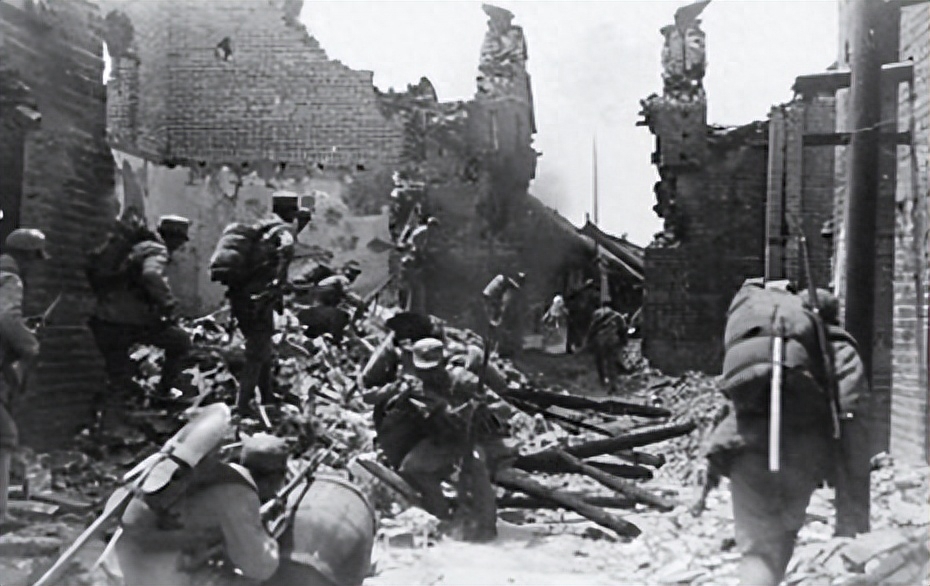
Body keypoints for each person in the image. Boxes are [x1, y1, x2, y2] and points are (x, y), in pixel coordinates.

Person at [702, 285, 869, 586]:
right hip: (799, 454)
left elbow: (728, 407)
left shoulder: (763, 347)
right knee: (781, 538)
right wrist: (851, 512)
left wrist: (707, 477)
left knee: (756, 550)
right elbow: (851, 418)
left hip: (743, 449)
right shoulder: (839, 350)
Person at [363, 338, 512, 542]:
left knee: (476, 468)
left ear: (442, 363)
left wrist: (479, 408)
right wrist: (396, 392)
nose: (427, 375)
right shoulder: (416, 386)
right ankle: (441, 514)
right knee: (411, 468)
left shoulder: (463, 380)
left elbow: (504, 409)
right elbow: (371, 397)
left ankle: (487, 527)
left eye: (432, 370)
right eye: (422, 370)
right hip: (439, 442)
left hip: (467, 440)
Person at [113, 428, 282, 586]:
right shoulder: (236, 493)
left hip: (126, 567)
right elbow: (259, 565)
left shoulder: (165, 474)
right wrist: (269, 537)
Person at [89, 215, 192, 419]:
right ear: (175, 238)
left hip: (103, 319)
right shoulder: (156, 250)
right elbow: (151, 275)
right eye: (180, 242)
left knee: (118, 376)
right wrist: (168, 302)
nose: (179, 247)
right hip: (129, 320)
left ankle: (111, 420)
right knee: (181, 341)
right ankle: (163, 392)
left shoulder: (135, 248)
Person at [225, 193, 311, 415]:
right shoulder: (283, 231)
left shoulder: (262, 228)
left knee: (264, 348)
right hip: (259, 300)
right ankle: (242, 406)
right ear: (291, 212)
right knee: (257, 351)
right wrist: (279, 281)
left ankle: (267, 397)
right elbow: (287, 247)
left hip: (242, 297)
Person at [0, 228, 48, 533]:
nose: (35, 267)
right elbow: (6, 318)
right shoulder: (9, 279)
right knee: (4, 436)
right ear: (27, 256)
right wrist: (30, 343)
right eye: (34, 259)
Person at [585, 298, 628, 391]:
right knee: (611, 362)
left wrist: (588, 340)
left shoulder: (596, 314)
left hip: (599, 340)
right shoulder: (617, 315)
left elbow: (592, 328)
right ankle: (613, 384)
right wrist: (624, 341)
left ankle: (602, 380)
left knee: (599, 361)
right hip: (612, 340)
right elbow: (623, 329)